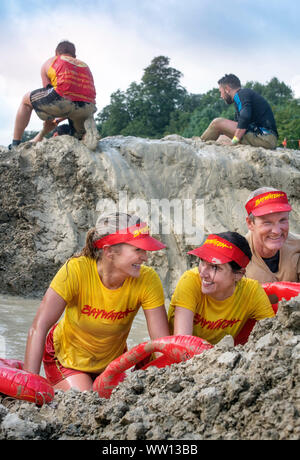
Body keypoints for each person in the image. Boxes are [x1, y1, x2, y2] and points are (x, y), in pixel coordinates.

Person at [24, 212, 170, 391]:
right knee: (84, 397)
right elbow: (38, 327)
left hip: (111, 363)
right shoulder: (76, 270)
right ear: (109, 251)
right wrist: (29, 386)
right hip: (65, 358)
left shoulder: (148, 279)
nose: (145, 257)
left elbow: (162, 342)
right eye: (137, 249)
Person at [168, 232, 275, 345]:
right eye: (202, 261)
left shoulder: (252, 292)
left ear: (238, 274)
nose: (203, 273)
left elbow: (274, 334)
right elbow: (181, 345)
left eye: (215, 267)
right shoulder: (190, 281)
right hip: (176, 360)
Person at [9, 40, 99, 151]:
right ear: (74, 55)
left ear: (56, 53)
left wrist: (49, 119)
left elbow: (47, 91)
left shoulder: (52, 61)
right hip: (88, 107)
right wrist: (58, 120)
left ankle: (15, 143)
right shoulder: (85, 66)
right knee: (78, 139)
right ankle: (85, 135)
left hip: (62, 99)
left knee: (25, 100)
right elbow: (77, 99)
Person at [201, 74, 278, 150]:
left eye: (220, 92)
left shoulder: (240, 94)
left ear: (227, 89)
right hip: (265, 138)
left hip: (264, 138)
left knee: (217, 123)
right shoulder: (243, 98)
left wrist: (234, 141)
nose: (221, 96)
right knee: (221, 139)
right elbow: (240, 124)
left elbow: (245, 116)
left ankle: (198, 145)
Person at [245, 187, 300, 283]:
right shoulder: (236, 257)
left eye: (282, 220)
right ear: (250, 223)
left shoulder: (297, 246)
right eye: (267, 223)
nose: (277, 231)